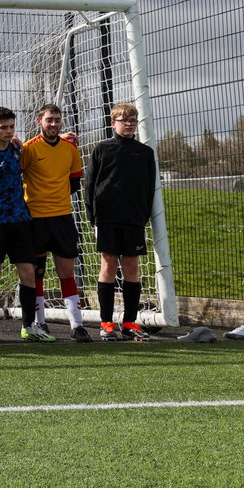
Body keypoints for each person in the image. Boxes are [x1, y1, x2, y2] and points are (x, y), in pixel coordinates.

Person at [0, 107, 50, 342]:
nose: (8, 131)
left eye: (11, 127)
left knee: (29, 273)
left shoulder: (19, 150)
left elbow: (41, 144)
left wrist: (66, 137)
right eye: (3, 127)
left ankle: (29, 326)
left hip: (21, 224)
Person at [85, 102, 158, 341]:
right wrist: (92, 218)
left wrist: (142, 215)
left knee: (132, 268)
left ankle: (129, 322)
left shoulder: (145, 152)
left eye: (132, 120)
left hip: (133, 220)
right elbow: (90, 186)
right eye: (123, 120)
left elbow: (149, 188)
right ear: (113, 122)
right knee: (108, 266)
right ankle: (106, 323)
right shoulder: (102, 149)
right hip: (107, 219)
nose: (128, 124)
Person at [20, 103, 91, 342]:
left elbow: (74, 183)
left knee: (66, 272)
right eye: (49, 119)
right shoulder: (29, 149)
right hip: (35, 219)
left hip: (62, 218)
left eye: (57, 120)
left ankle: (76, 325)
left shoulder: (70, 149)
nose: (53, 124)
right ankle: (40, 324)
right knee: (36, 273)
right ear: (39, 121)